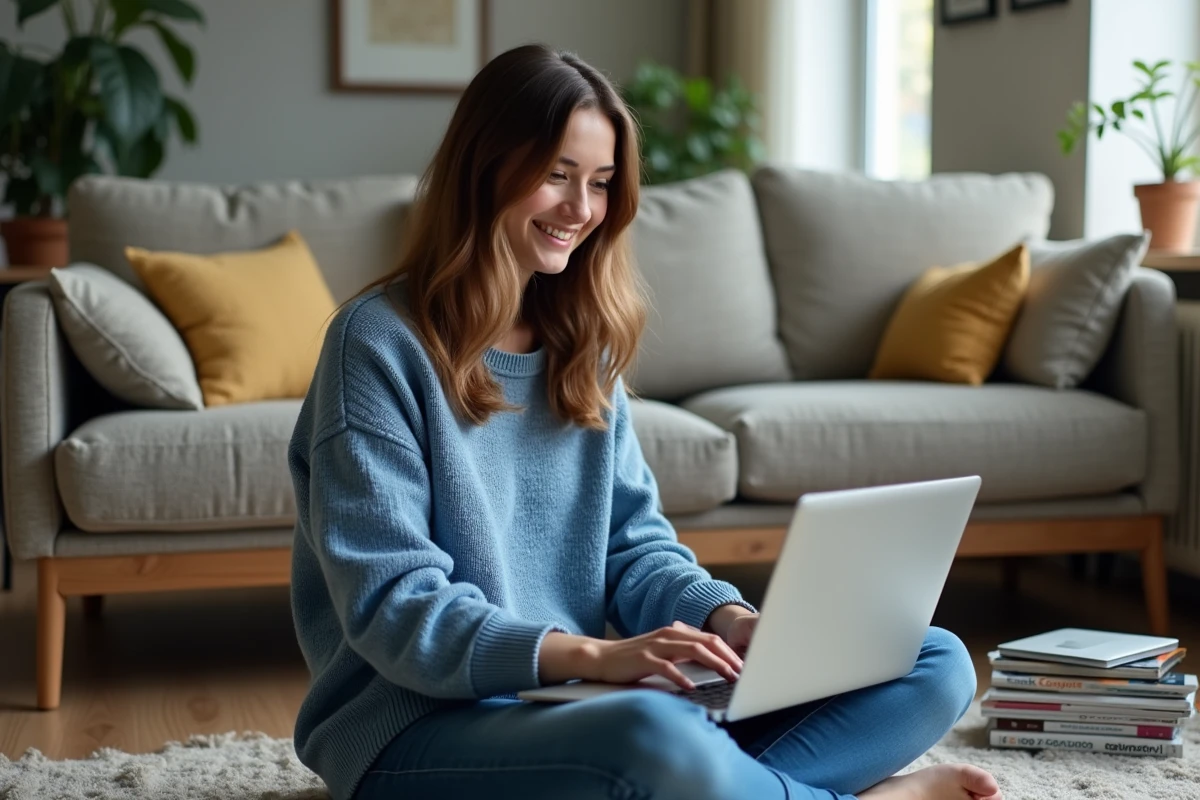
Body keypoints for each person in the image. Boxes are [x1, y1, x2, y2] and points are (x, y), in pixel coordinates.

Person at [287, 43, 1003, 800]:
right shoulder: (374, 344)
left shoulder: (581, 347)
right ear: (485, 165)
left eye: (598, 184)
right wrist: (595, 658)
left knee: (930, 658)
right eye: (558, 175)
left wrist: (726, 619)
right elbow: (394, 609)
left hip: (583, 707)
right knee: (651, 737)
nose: (581, 210)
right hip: (418, 728)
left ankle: (721, 785)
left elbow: (634, 547)